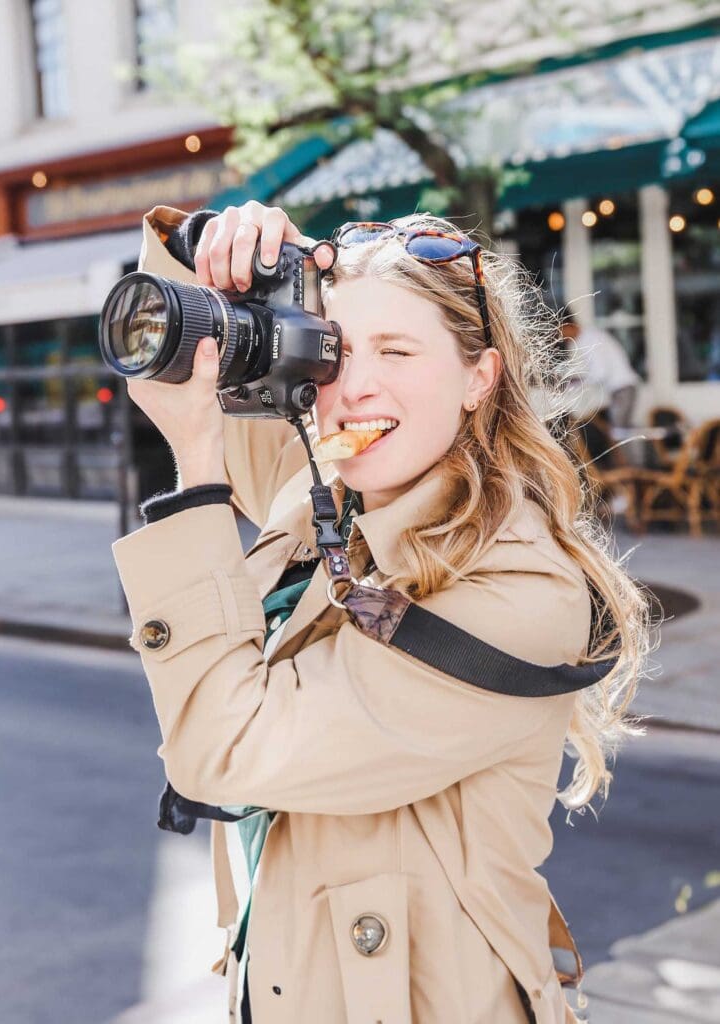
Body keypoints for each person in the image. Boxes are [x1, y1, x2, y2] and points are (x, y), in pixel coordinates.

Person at [111, 201, 653, 1024]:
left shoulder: (519, 591)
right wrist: (214, 246)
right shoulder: (325, 488)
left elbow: (219, 750)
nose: (352, 387)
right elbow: (183, 340)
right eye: (334, 351)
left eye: (396, 351)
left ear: (480, 376)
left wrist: (196, 467)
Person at [560, 317, 640, 429]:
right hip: (619, 389)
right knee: (620, 430)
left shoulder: (591, 340)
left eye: (562, 331)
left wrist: (577, 382)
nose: (563, 337)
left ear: (570, 326)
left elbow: (600, 373)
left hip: (622, 388)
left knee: (620, 433)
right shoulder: (588, 338)